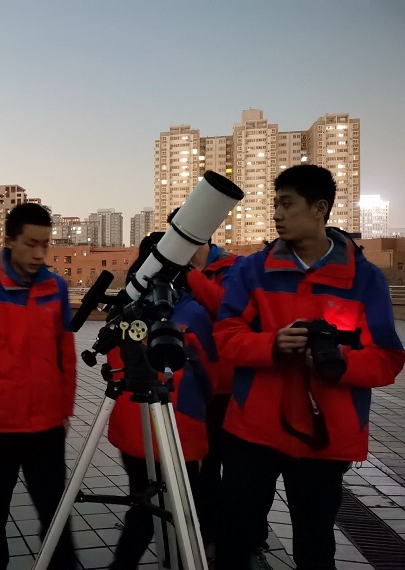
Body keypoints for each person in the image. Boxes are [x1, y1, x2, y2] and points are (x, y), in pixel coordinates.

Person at [214, 164, 405, 570]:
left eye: (287, 204)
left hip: (325, 438)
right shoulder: (253, 270)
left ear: (319, 209)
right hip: (253, 431)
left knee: (315, 546)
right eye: (275, 205)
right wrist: (272, 344)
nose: (277, 215)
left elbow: (387, 358)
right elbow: (226, 336)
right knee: (236, 540)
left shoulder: (364, 279)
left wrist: (336, 363)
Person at [0, 203, 77, 569]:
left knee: (56, 515)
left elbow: (65, 353)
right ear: (9, 241)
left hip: (46, 427)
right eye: (31, 244)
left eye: (45, 245)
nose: (39, 254)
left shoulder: (55, 287)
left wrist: (64, 409)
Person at [106, 233, 215, 570]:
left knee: (143, 503)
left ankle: (123, 565)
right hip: (180, 427)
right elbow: (214, 372)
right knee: (184, 509)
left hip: (135, 427)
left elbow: (114, 363)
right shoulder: (193, 312)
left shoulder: (127, 308)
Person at [167, 208, 246, 562]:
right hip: (193, 389)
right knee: (204, 469)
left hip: (231, 390)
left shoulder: (234, 268)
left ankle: (241, 539)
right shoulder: (172, 276)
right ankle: (206, 536)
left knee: (238, 473)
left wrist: (191, 277)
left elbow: (226, 310)